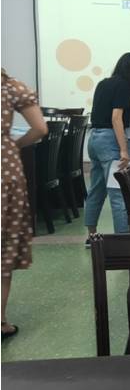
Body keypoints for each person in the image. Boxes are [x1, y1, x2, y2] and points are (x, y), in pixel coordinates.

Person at [1, 70, 48, 339]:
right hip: (4, 168)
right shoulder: (10, 87)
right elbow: (40, 128)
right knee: (4, 245)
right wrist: (14, 144)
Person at [84, 53, 130, 236]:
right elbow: (116, 118)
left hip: (94, 138)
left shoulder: (104, 83)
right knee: (119, 194)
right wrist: (124, 149)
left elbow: (109, 107)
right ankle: (122, 241)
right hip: (110, 141)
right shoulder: (123, 85)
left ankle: (91, 235)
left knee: (97, 190)